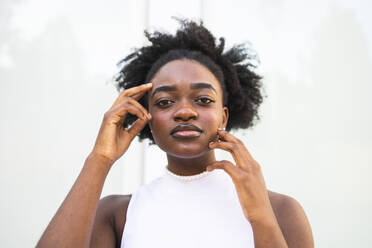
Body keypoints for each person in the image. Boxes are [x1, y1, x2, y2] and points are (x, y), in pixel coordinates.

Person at [36, 18, 314, 248]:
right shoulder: (117, 215)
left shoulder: (280, 210)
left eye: (203, 100)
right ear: (146, 117)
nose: (184, 112)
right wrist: (99, 160)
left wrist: (261, 219)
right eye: (165, 102)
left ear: (224, 117)